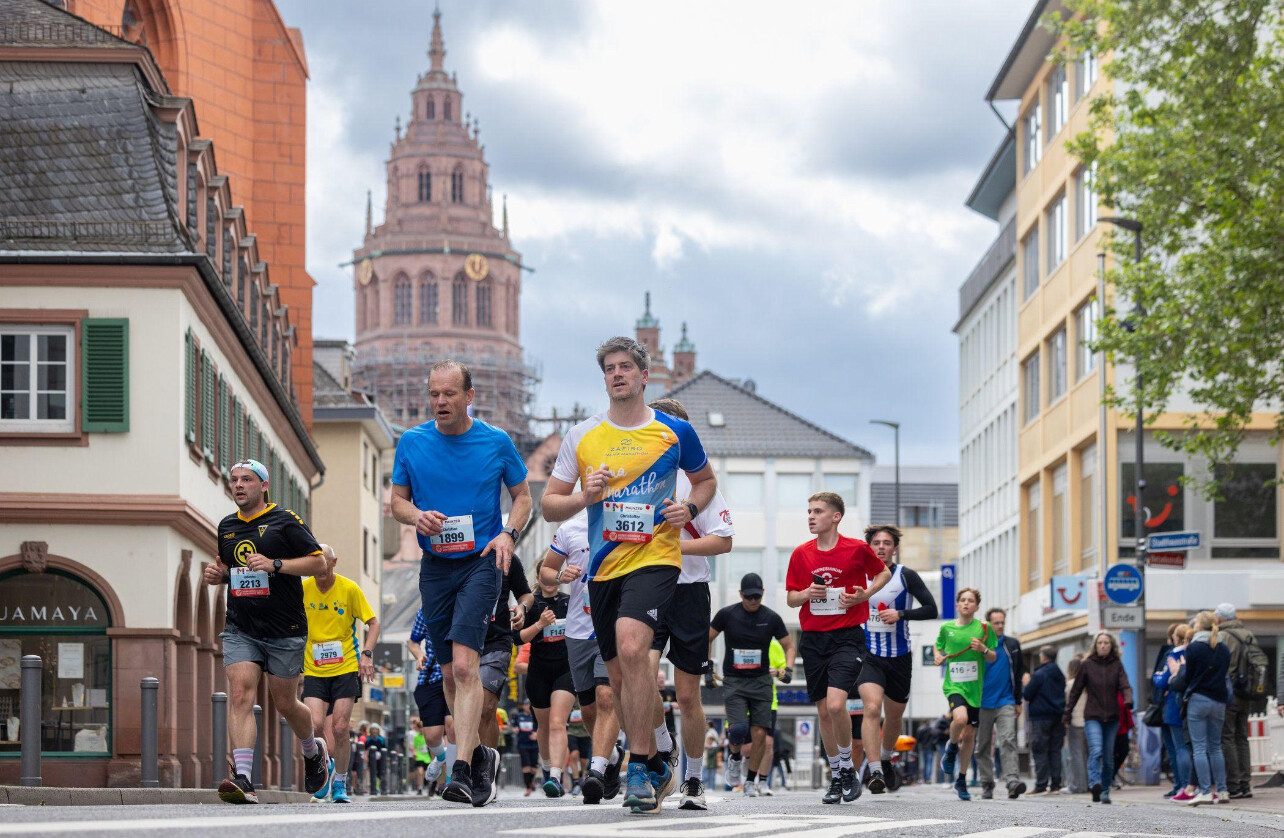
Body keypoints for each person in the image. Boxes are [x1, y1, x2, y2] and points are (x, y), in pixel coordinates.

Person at [542, 336, 718, 815]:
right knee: (619, 677)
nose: (617, 374)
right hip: (603, 567)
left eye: (625, 367)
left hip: (655, 557)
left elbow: (705, 481)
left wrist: (689, 508)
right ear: (604, 379)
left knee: (634, 646)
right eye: (609, 368)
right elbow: (549, 505)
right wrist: (585, 496)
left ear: (644, 376)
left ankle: (639, 765)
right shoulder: (582, 435)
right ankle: (658, 760)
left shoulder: (674, 431)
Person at [389, 360, 532, 807]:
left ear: (469, 397)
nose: (440, 401)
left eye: (449, 394)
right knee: (449, 673)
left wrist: (508, 534)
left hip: (481, 563)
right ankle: (482, 753)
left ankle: (464, 768)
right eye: (434, 394)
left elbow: (523, 496)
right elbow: (397, 501)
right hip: (435, 567)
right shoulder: (412, 442)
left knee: (467, 667)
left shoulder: (496, 441)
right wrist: (416, 516)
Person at [206, 459, 330, 804]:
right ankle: (244, 779)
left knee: (286, 703)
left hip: (283, 627)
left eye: (246, 479)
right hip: (241, 625)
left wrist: (276, 564)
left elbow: (318, 562)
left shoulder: (285, 520)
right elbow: (234, 571)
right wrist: (219, 576)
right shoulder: (227, 526)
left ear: (263, 486)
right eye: (234, 479)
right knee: (240, 694)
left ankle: (313, 751)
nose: (238, 485)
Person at [646, 396, 735, 811]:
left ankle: (694, 779)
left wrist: (676, 547)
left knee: (686, 695)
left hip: (689, 591)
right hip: (645, 586)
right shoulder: (638, 476)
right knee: (639, 676)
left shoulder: (697, 482)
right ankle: (664, 745)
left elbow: (724, 541)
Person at [785, 491, 891, 804]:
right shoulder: (801, 554)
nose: (810, 516)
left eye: (817, 511)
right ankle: (838, 774)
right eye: (809, 511)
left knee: (835, 705)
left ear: (836, 517)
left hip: (847, 636)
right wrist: (807, 594)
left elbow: (883, 572)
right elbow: (791, 598)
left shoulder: (856, 549)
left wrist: (865, 594)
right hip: (813, 639)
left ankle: (848, 768)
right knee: (823, 710)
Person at [542, 510, 625, 805]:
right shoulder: (569, 529)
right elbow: (545, 570)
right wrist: (559, 576)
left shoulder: (623, 518)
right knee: (588, 709)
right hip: (577, 630)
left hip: (611, 626)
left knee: (606, 697)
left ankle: (596, 771)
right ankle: (612, 756)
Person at [856, 524, 938, 794]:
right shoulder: (858, 575)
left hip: (900, 656)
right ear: (869, 547)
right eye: (876, 543)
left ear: (895, 548)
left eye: (887, 543)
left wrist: (900, 614)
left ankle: (885, 756)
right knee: (871, 708)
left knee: (894, 716)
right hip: (869, 655)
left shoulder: (906, 575)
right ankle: (875, 771)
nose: (881, 547)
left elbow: (931, 609)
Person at [300, 544, 379, 803]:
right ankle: (325, 767)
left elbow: (373, 622)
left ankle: (340, 784)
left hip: (345, 666)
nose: (321, 567)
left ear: (334, 562)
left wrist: (366, 654)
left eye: (325, 561)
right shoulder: (303, 589)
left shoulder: (349, 589)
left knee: (341, 727)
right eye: (316, 562)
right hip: (314, 668)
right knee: (314, 725)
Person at [709, 572, 795, 798]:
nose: (753, 601)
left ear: (763, 593)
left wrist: (788, 669)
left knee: (760, 735)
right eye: (749, 597)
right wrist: (707, 668)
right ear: (740, 594)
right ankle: (735, 757)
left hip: (761, 682)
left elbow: (789, 645)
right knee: (738, 729)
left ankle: (750, 781)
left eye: (757, 596)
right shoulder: (727, 614)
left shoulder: (771, 618)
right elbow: (707, 638)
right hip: (735, 681)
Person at [934, 587, 999, 801]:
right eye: (962, 600)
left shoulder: (984, 628)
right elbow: (938, 646)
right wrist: (938, 657)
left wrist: (983, 649)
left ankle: (961, 779)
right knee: (960, 719)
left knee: (970, 735)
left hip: (975, 689)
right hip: (954, 685)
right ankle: (951, 747)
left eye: (970, 600)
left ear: (977, 607)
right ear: (957, 604)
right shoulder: (947, 627)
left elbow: (993, 656)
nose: (966, 603)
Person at [518, 562, 576, 797]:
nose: (549, 582)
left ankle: (555, 777)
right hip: (538, 672)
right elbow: (518, 638)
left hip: (565, 669)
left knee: (557, 722)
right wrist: (540, 624)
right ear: (539, 578)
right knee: (543, 726)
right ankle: (546, 765)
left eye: (553, 577)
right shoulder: (530, 603)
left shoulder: (569, 602)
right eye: (545, 578)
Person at [1064, 631, 1132, 804]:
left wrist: (1128, 699)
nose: (1103, 646)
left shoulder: (1117, 665)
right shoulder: (1087, 665)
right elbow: (1076, 691)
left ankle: (1105, 791)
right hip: (1093, 716)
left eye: (1106, 643)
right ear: (1095, 646)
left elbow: (1125, 685)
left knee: (1108, 758)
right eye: (1100, 643)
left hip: (1112, 718)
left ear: (1111, 646)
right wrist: (1067, 712)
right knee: (1096, 750)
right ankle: (1095, 783)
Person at [1180, 610, 1231, 806]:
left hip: (1199, 699)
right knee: (1216, 747)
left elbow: (1188, 677)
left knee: (1199, 748)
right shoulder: (1223, 648)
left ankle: (1205, 791)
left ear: (1199, 626)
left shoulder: (1194, 648)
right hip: (1219, 700)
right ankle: (1223, 791)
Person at [975, 607, 1026, 800]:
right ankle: (987, 783)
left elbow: (1018, 673)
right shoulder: (979, 645)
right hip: (982, 703)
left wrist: (1018, 701)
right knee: (983, 745)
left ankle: (1012, 781)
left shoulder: (1012, 644)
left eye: (1002, 622)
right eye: (996, 623)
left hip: (1006, 701)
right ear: (988, 624)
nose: (1000, 626)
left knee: (1008, 740)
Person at [1215, 603, 1257, 800]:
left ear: (1221, 617)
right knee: (1242, 737)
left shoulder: (1223, 636)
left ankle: (1234, 784)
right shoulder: (1249, 634)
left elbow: (1223, 666)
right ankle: (1246, 784)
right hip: (1247, 692)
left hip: (1230, 693)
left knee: (1228, 737)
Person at [407, 607, 452, 794]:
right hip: (431, 677)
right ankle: (441, 757)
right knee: (432, 736)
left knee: (453, 725)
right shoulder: (427, 609)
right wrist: (419, 655)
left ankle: (452, 780)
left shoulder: (467, 602)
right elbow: (412, 641)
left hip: (459, 676)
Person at [1023, 645, 1065, 794]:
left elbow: (1027, 694)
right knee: (1055, 750)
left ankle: (1041, 784)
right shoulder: (1060, 674)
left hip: (1041, 716)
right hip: (1058, 716)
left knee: (1040, 749)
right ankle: (1056, 784)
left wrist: (1026, 684)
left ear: (1044, 657)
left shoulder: (1039, 674)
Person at [1064, 654, 1088, 794]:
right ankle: (1088, 784)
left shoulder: (1070, 684)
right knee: (1086, 755)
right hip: (1088, 722)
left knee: (1076, 755)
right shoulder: (1087, 684)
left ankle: (1077, 785)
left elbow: (1067, 704)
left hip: (1075, 722)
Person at [702, 723, 720, 789]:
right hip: (707, 760)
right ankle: (708, 787)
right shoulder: (712, 732)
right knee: (707, 775)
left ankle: (710, 787)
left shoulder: (711, 733)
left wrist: (707, 746)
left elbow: (711, 747)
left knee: (710, 775)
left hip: (710, 761)